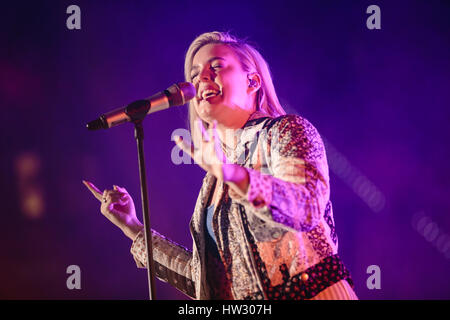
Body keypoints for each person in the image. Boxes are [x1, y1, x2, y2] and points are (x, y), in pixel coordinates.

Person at [83, 31, 358, 300]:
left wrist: (232, 174)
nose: (200, 78)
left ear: (252, 81)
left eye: (215, 67)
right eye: (193, 74)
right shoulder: (212, 184)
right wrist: (131, 226)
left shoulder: (286, 131)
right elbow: (203, 282)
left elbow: (305, 206)